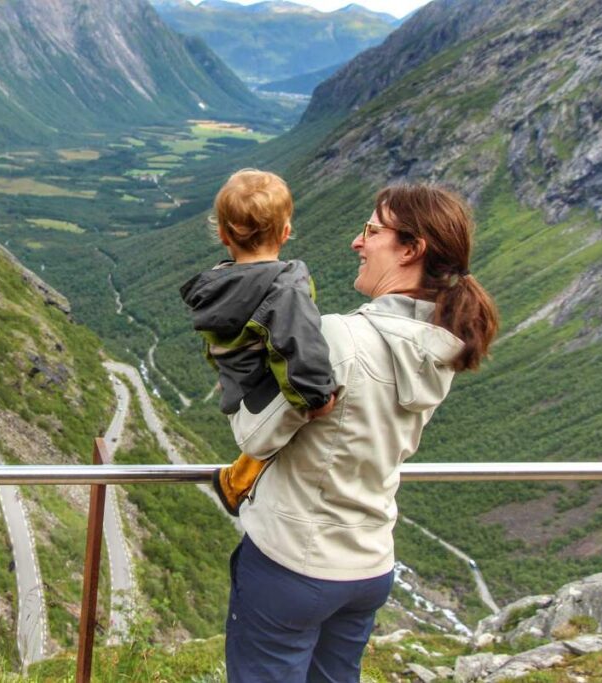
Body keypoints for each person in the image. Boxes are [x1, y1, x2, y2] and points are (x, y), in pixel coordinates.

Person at [223, 184, 499, 682]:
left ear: (411, 249)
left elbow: (254, 436)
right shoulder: (443, 345)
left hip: (294, 561)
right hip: (369, 566)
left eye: (371, 230)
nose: (357, 241)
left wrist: (241, 374)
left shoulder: (340, 337)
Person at [179, 169, 337, 516]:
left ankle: (238, 479)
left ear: (223, 234)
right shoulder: (285, 289)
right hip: (261, 411)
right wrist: (317, 398)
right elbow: (299, 343)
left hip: (238, 397)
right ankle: (241, 482)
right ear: (286, 231)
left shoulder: (219, 285)